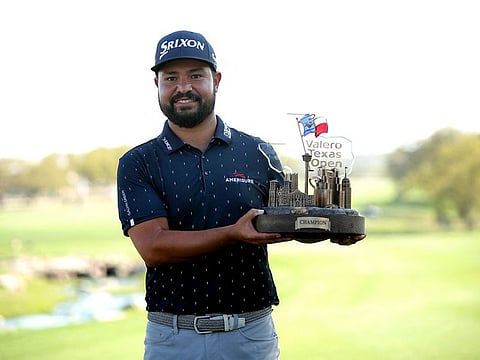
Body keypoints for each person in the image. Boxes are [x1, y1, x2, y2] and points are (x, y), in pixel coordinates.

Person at [116, 30, 365, 360]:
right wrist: (233, 234)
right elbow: (154, 247)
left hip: (250, 335)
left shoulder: (257, 151)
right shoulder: (138, 162)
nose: (183, 87)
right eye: (171, 77)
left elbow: (290, 220)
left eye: (196, 76)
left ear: (216, 80)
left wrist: (334, 228)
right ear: (157, 85)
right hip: (173, 339)